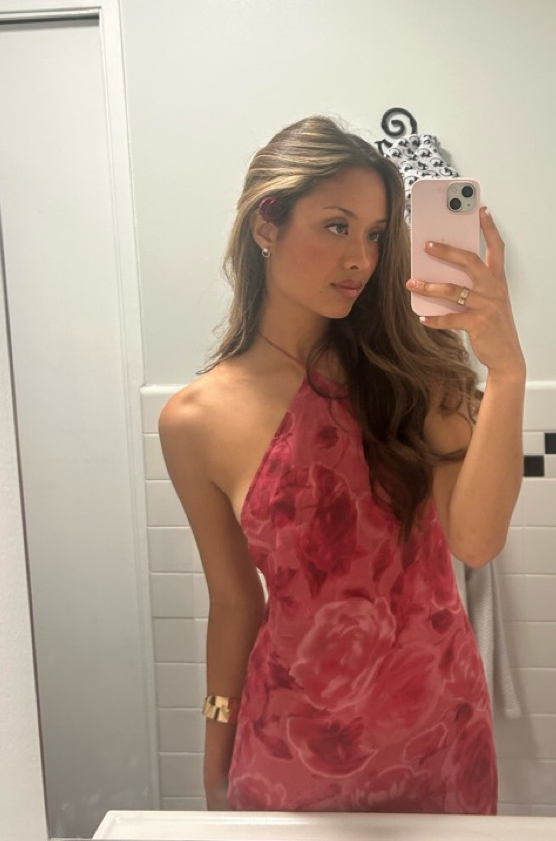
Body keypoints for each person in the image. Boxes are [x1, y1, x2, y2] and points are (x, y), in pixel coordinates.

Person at [158, 115, 525, 814]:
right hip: (288, 753)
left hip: (437, 741)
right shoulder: (193, 421)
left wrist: (506, 370)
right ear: (266, 223)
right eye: (336, 226)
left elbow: (477, 541)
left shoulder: (413, 373)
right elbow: (234, 601)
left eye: (376, 234)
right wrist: (215, 761)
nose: (360, 257)